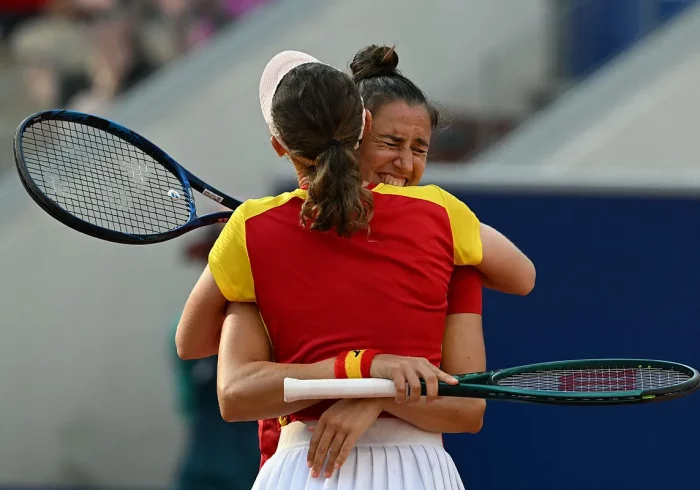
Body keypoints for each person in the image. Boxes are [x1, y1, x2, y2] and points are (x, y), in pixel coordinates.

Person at [177, 50, 534, 489]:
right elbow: (523, 276)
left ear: (279, 146)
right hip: (415, 470)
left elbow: (191, 341)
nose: (405, 161)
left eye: (418, 147)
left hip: (302, 469)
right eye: (391, 142)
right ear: (361, 127)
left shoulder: (252, 228)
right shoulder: (443, 217)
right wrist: (369, 374)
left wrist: (365, 385)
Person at [169, 225, 260, 490]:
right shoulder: (180, 333)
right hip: (202, 467)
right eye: (208, 264)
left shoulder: (272, 327)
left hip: (256, 467)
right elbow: (188, 401)